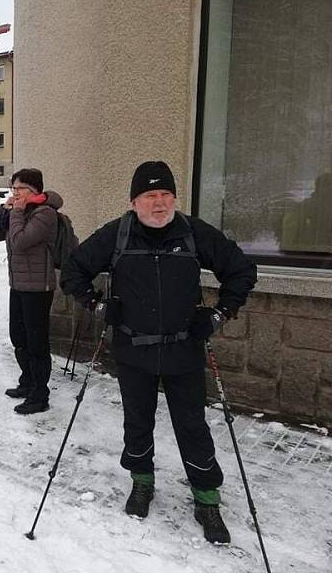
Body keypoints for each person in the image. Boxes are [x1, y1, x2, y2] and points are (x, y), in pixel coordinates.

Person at [62, 160, 257, 543]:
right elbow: (73, 271)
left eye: (166, 194)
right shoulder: (117, 234)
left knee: (193, 426)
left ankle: (206, 497)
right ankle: (142, 481)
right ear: (134, 201)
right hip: (133, 350)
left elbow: (242, 271)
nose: (160, 203)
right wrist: (99, 307)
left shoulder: (193, 232)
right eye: (150, 195)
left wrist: (218, 315)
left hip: (185, 350)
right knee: (137, 422)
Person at [0, 168, 63, 415]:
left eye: (19, 188)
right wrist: (4, 210)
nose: (15, 193)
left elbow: (19, 242)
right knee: (18, 337)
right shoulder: (18, 211)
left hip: (38, 288)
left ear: (34, 190)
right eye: (13, 188)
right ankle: (27, 382)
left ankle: (40, 395)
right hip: (18, 285)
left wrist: (17, 212)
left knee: (36, 342)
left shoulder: (45, 214)